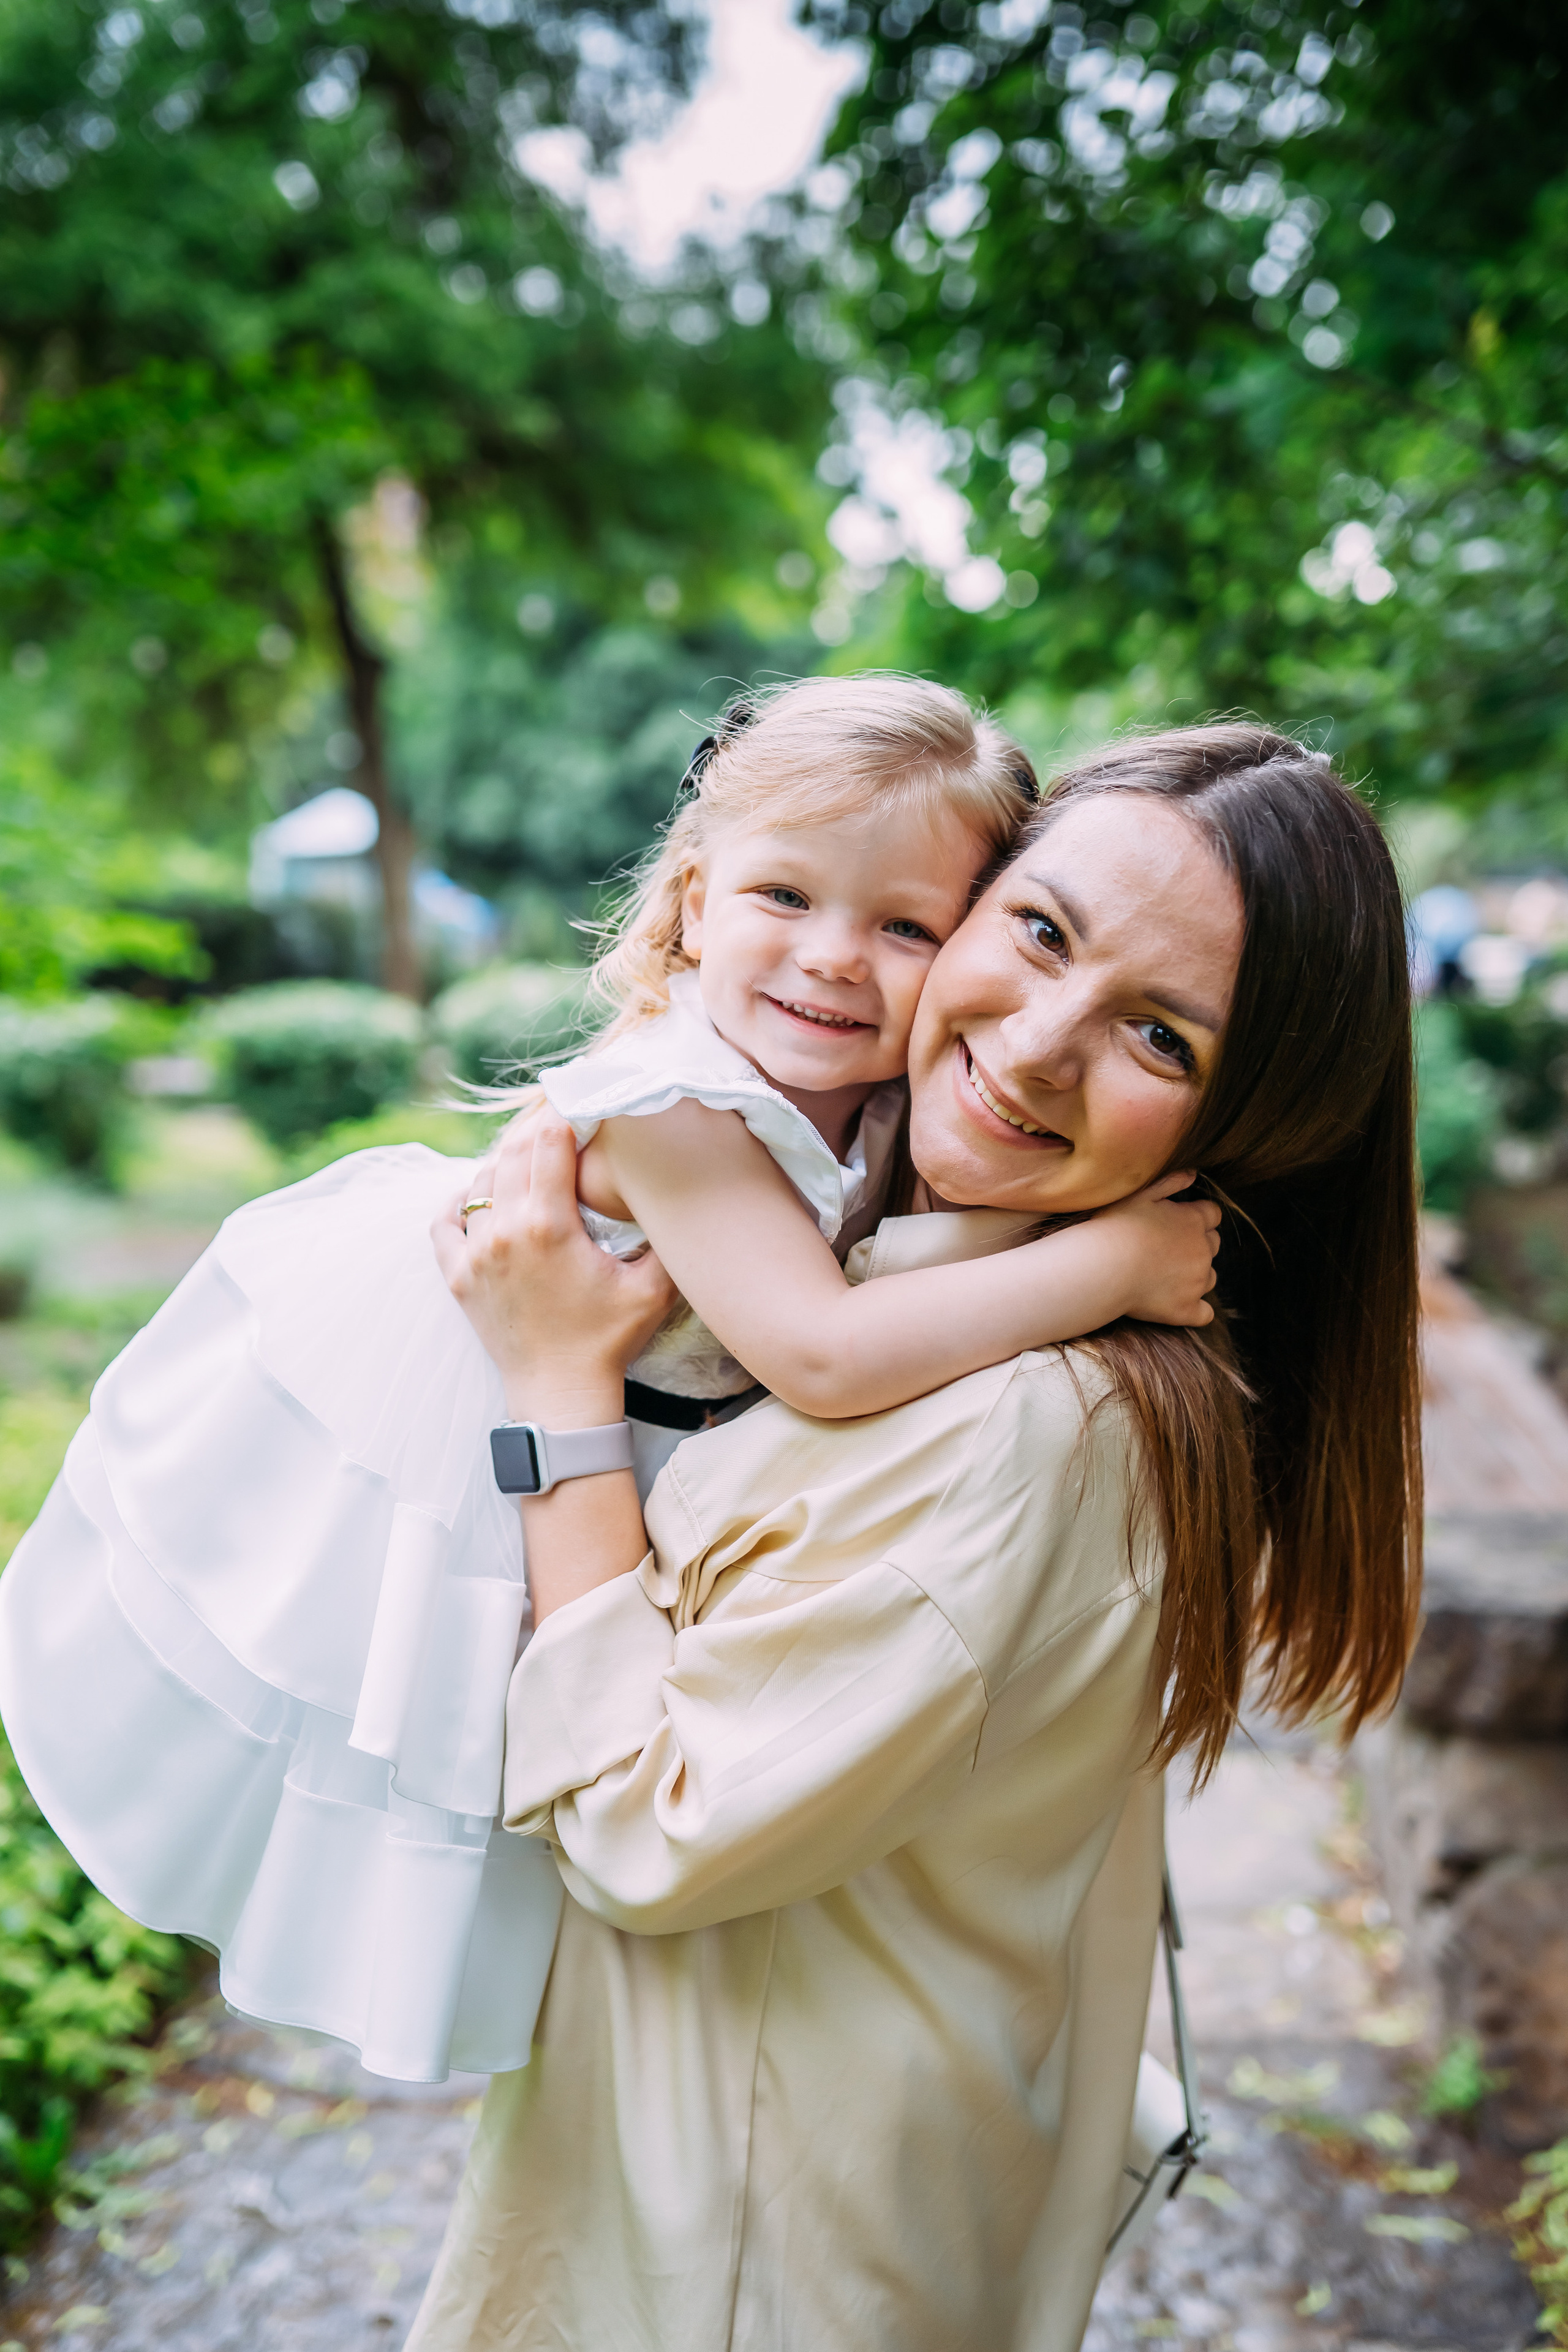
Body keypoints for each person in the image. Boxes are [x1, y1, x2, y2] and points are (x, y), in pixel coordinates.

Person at [0, 677, 1218, 2088]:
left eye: (904, 926)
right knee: (483, 1764)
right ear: (692, 903)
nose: (833, 959)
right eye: (784, 896)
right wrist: (1115, 1265)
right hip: (481, 1436)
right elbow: (820, 1353)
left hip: (620, 1439)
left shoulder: (857, 1098)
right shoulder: (679, 1105)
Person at [406, 722, 1422, 2352]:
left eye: (1157, 1034)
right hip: (817, 2185)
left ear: (1260, 1118)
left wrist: (553, 1392)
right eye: (1039, 932)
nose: (1034, 1048)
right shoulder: (912, 1260)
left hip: (731, 2257)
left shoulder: (1017, 1426)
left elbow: (646, 1834)